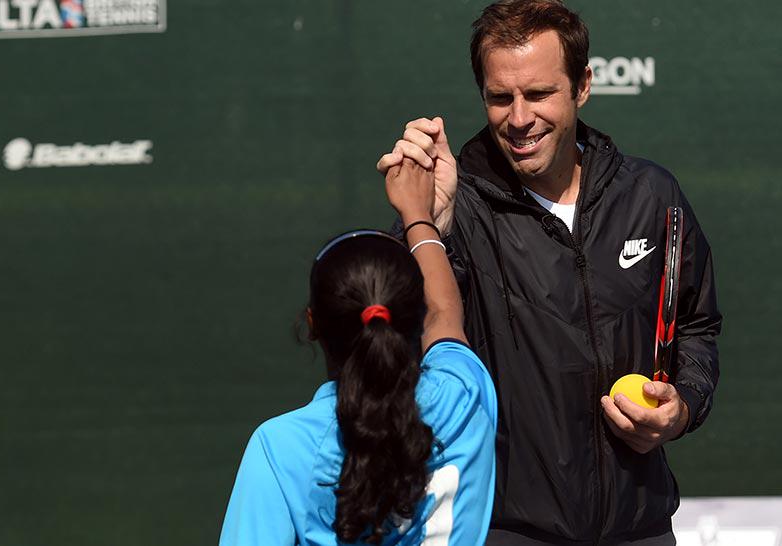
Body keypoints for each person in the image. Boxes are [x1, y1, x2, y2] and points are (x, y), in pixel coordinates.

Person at [376, 1, 721, 544]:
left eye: (538, 94)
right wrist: (427, 226)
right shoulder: (457, 209)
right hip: (506, 529)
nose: (519, 118)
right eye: (500, 97)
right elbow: (401, 341)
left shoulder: (651, 195)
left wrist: (682, 408)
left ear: (582, 86)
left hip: (641, 527)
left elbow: (696, 326)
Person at [219, 159, 497, 545]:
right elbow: (445, 313)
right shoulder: (464, 398)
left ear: (312, 324)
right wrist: (418, 214)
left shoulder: (281, 449)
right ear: (414, 316)